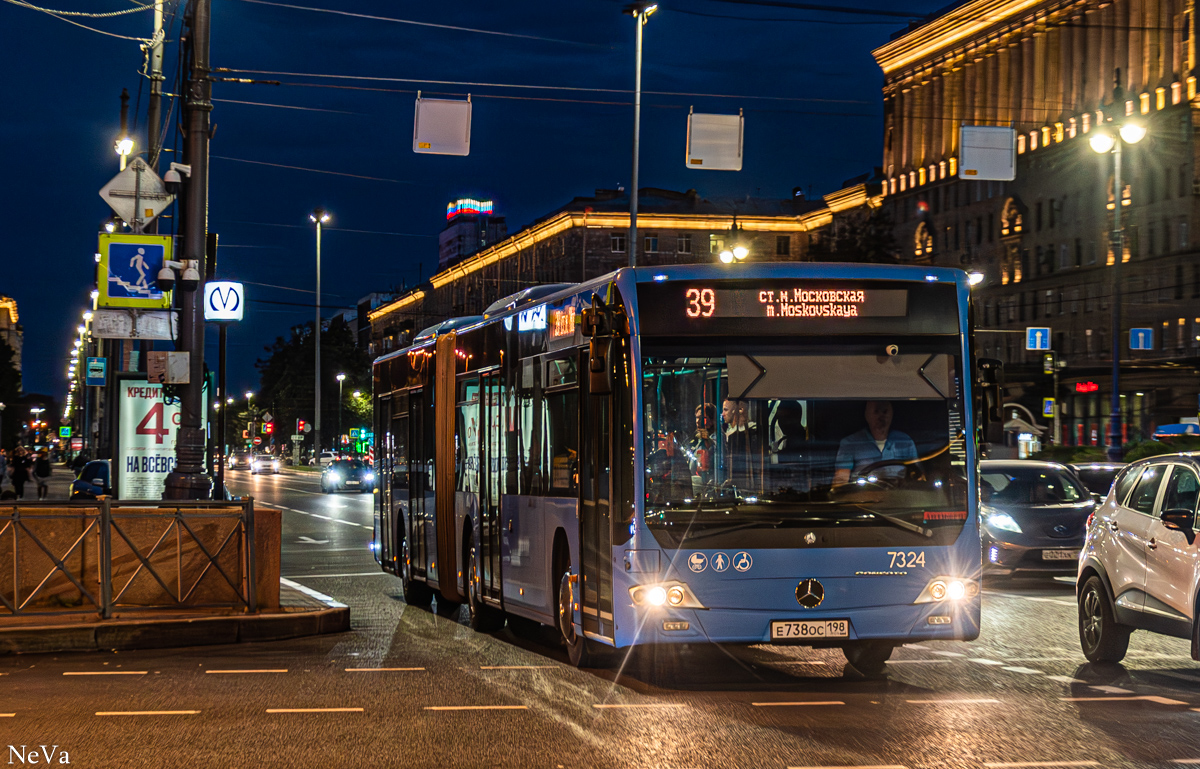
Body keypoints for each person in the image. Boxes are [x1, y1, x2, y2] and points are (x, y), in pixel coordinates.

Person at [834, 401, 918, 485]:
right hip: (863, 496)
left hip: (898, 495)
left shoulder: (905, 441)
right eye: (876, 412)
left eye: (885, 412)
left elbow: (917, 476)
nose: (881, 416)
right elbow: (841, 479)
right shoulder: (850, 443)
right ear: (867, 415)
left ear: (891, 414)